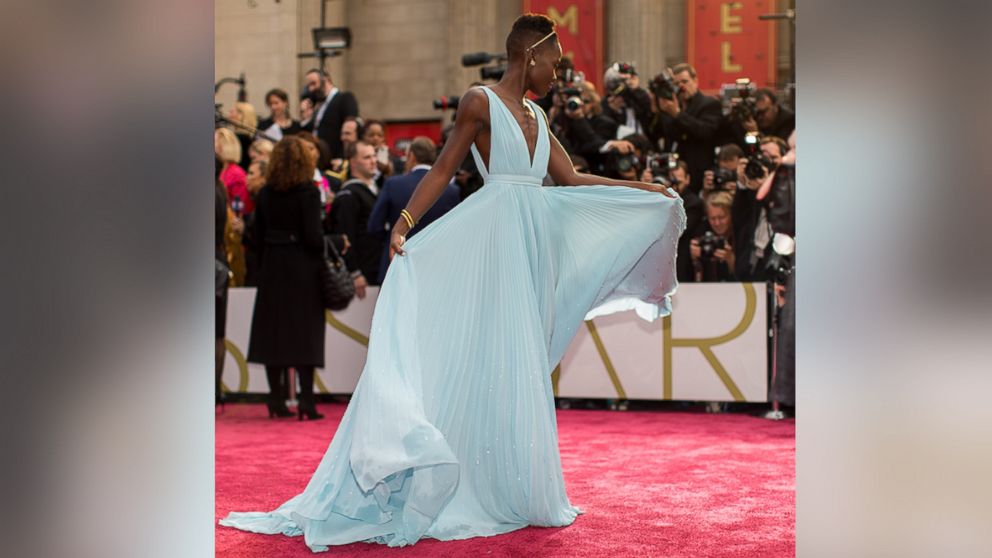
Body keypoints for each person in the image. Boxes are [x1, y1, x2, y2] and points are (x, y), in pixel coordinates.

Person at [220, 14, 684, 550]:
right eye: (555, 62)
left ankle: (514, 485)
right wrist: (404, 224)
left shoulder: (538, 113)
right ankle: (456, 479)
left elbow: (572, 180)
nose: (560, 73)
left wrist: (642, 190)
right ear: (530, 55)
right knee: (490, 353)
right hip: (490, 245)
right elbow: (442, 170)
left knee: (521, 360)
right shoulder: (479, 102)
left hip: (532, 248)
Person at [245, 136, 326, 421]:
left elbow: (256, 235)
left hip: (273, 267)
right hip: (302, 267)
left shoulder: (265, 193)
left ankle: (276, 399)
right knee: (305, 333)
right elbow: (314, 237)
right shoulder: (309, 193)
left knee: (273, 332)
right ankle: (306, 401)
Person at [367, 136, 459, 284]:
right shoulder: (452, 191)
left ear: (411, 156)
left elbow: (374, 226)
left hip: (398, 261)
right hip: (438, 266)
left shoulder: (393, 184)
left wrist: (393, 238)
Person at [650, 63, 722, 194]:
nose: (681, 87)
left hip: (697, 172)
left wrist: (677, 114)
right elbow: (656, 134)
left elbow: (705, 131)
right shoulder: (669, 106)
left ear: (695, 81)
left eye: (684, 81)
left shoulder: (710, 104)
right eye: (676, 84)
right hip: (672, 172)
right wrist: (656, 111)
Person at [328, 140, 384, 293]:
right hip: (362, 276)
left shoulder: (377, 190)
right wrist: (355, 273)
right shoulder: (349, 195)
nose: (373, 161)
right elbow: (345, 235)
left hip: (379, 271)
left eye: (374, 156)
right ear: (352, 162)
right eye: (367, 158)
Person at [300, 68, 359, 160]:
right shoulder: (318, 106)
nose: (311, 89)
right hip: (320, 159)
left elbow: (350, 131)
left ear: (326, 80)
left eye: (314, 83)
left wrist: (343, 158)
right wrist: (306, 117)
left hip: (337, 158)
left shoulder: (344, 98)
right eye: (309, 86)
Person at [689, 191, 737, 282]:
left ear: (731, 215)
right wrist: (694, 259)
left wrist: (731, 260)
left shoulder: (741, 235)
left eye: (721, 217)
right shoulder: (701, 234)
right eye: (712, 218)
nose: (717, 223)